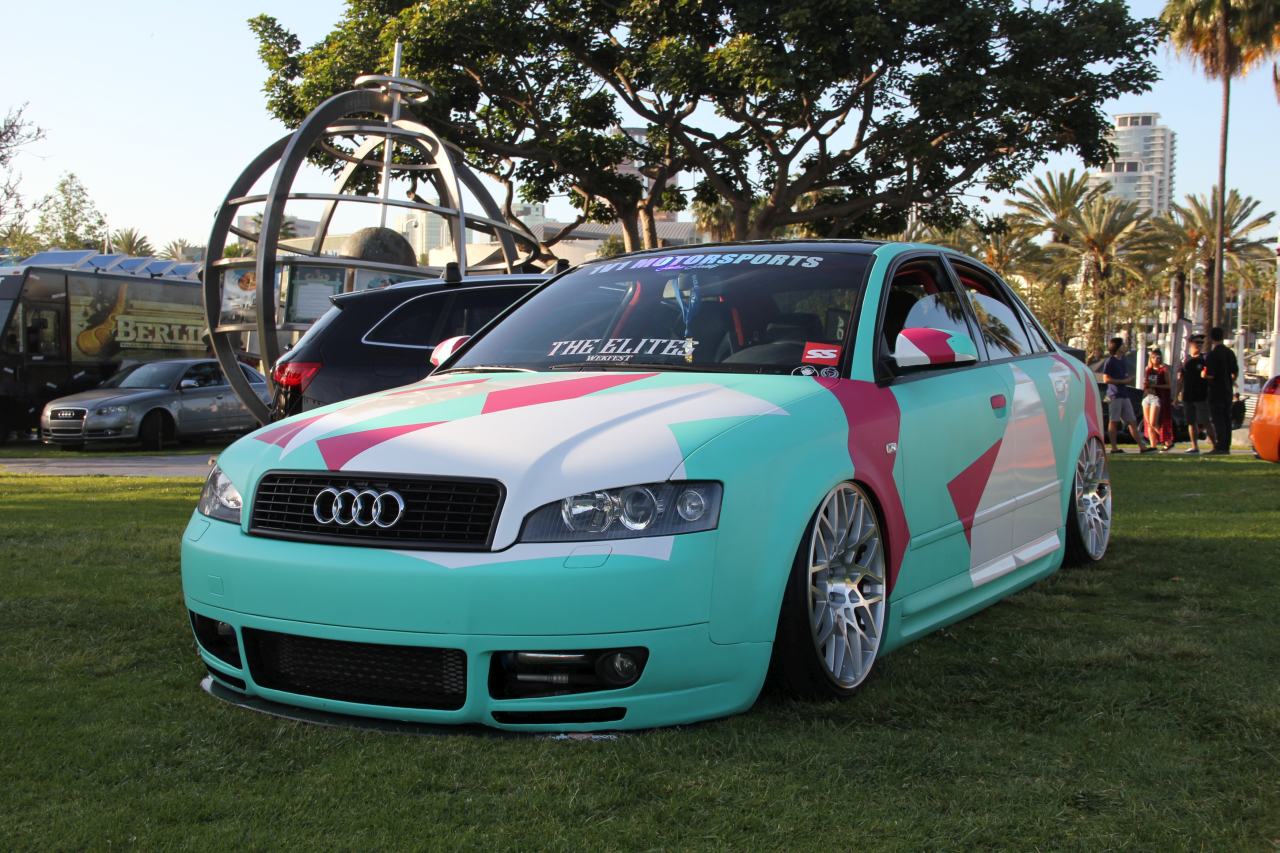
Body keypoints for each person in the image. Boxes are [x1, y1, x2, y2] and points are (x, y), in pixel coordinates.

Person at [1101, 337, 1152, 453]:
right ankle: (1114, 448)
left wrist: (1128, 380)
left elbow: (1124, 376)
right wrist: (1122, 381)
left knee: (1132, 421)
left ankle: (1142, 447)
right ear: (1117, 347)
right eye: (1122, 344)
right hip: (1114, 395)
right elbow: (1106, 379)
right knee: (1114, 421)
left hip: (1124, 395)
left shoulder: (1123, 360)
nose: (1124, 346)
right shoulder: (1110, 361)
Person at [1203, 326, 1238, 455]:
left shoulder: (1212, 355)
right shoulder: (1229, 353)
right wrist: (1230, 382)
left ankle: (1220, 446)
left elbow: (1211, 375)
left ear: (1212, 338)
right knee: (1226, 419)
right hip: (1227, 390)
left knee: (1218, 419)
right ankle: (1226, 446)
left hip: (1216, 391)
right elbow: (1235, 372)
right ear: (1222, 337)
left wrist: (1203, 375)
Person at [1178, 335, 1215, 454]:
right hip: (1187, 396)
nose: (1199, 344)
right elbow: (1181, 379)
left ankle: (1215, 446)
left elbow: (1212, 376)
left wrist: (1206, 376)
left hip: (1201, 396)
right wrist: (1176, 396)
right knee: (1190, 422)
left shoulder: (1205, 359)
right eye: (1197, 342)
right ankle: (1194, 447)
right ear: (1190, 343)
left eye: (1201, 342)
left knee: (1205, 421)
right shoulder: (1186, 360)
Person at [1142, 347, 1174, 451]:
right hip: (1148, 396)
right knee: (1148, 423)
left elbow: (1168, 385)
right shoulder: (1148, 370)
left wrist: (1156, 386)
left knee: (1153, 422)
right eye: (1153, 357)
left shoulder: (1163, 370)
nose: (1156, 359)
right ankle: (1153, 446)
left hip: (1158, 397)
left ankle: (1167, 441)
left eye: (1158, 357)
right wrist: (1146, 386)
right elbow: (1146, 384)